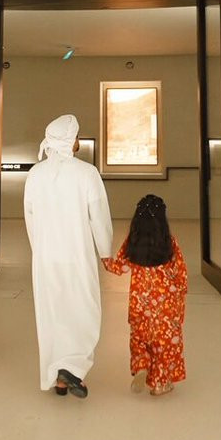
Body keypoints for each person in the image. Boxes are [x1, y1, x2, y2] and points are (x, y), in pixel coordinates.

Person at [24, 114, 113, 398]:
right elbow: (98, 215)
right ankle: (72, 369)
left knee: (53, 314)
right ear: (68, 140)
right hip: (78, 254)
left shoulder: (36, 174)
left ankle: (59, 376)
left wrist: (39, 250)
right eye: (76, 136)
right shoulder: (87, 173)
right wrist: (105, 251)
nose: (78, 140)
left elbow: (29, 216)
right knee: (83, 309)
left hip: (46, 258)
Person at [103, 194, 187, 396]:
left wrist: (104, 258)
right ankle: (160, 385)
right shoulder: (169, 244)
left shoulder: (132, 243)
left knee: (140, 339)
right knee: (163, 345)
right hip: (165, 309)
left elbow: (118, 267)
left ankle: (141, 365)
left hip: (140, 304)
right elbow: (181, 275)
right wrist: (179, 301)